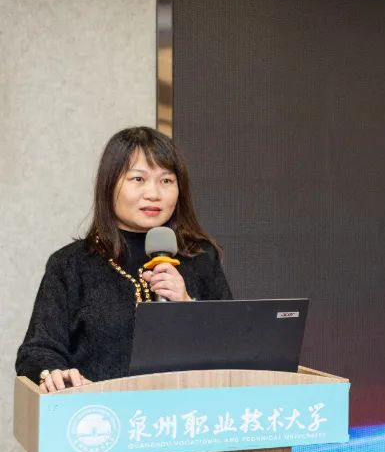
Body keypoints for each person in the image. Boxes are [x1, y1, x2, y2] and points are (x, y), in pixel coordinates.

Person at [16, 126, 232, 393]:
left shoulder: (200, 257)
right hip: (102, 411)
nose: (153, 193)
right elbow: (37, 351)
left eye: (166, 181)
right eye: (138, 179)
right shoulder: (71, 264)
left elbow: (234, 345)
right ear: (110, 184)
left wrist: (188, 305)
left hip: (187, 412)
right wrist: (55, 373)